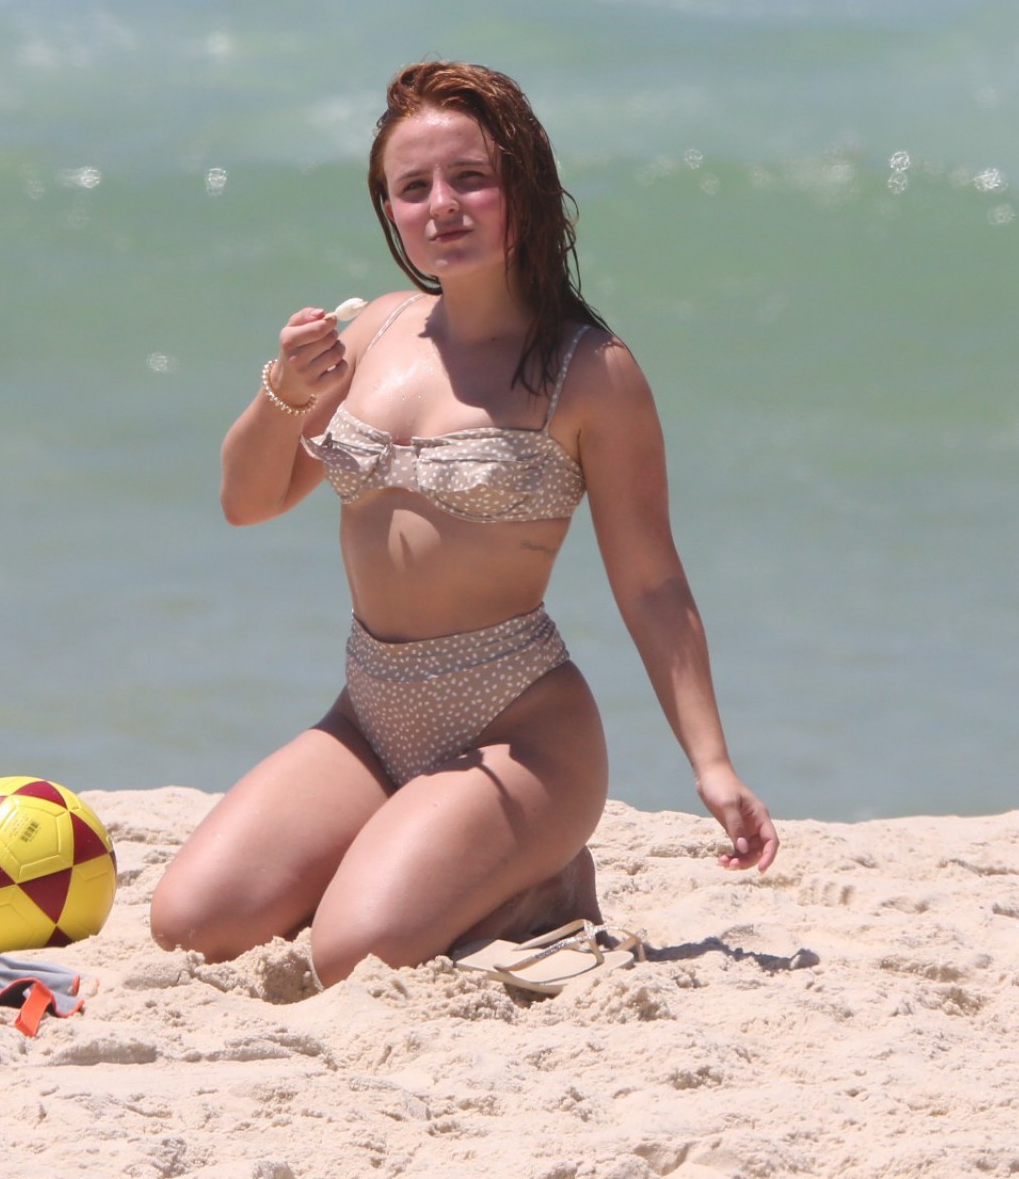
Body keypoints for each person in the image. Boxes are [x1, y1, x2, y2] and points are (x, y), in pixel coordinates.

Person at [150, 61, 779, 987]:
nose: (442, 204)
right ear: (390, 210)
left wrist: (713, 764)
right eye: (413, 188)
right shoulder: (374, 333)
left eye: (469, 178)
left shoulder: (591, 372)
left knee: (350, 954)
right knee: (190, 924)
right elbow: (246, 503)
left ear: (521, 186)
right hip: (369, 712)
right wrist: (282, 389)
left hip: (520, 729)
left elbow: (651, 582)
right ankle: (418, 846)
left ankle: (542, 880)